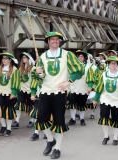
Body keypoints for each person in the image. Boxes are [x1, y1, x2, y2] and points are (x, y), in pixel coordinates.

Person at [35, 31, 84, 159]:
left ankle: (57, 148)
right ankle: (51, 140)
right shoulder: (43, 56)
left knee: (59, 121)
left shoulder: (67, 55)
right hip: (45, 91)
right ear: (48, 41)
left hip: (59, 93)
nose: (55, 41)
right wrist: (38, 73)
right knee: (40, 119)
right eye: (52, 39)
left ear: (59, 41)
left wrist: (68, 81)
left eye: (57, 39)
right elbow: (42, 76)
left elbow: (80, 69)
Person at [93, 56, 118, 146]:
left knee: (116, 119)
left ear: (117, 65)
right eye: (111, 63)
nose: (113, 65)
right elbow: (99, 88)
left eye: (115, 63)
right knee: (104, 117)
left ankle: (115, 138)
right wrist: (95, 99)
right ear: (109, 64)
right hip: (105, 99)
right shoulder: (103, 74)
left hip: (117, 100)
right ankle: (106, 136)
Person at [0, 52, 20, 136]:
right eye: (3, 58)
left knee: (9, 111)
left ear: (10, 60)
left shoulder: (14, 70)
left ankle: (8, 129)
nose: (4, 60)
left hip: (9, 93)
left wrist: (14, 93)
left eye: (6, 58)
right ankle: (3, 126)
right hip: (0, 92)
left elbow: (16, 82)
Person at [66, 50, 95, 126]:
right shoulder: (72, 66)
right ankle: (73, 119)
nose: (80, 57)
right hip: (73, 88)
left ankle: (82, 119)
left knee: (82, 104)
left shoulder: (88, 67)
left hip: (83, 89)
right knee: (72, 104)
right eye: (78, 56)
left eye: (81, 56)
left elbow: (90, 78)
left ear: (84, 58)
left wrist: (89, 87)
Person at [12, 52, 36, 128]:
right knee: (18, 105)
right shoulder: (20, 69)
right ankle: (17, 121)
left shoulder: (33, 68)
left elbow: (35, 80)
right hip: (22, 89)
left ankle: (31, 121)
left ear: (29, 59)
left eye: (25, 57)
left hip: (30, 90)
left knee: (31, 106)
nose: (24, 59)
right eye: (23, 57)